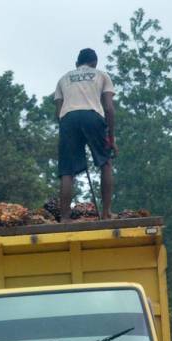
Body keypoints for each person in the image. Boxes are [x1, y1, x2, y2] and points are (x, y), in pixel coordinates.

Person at [53, 48, 117, 219]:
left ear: (77, 64)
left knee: (67, 171)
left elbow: (59, 112)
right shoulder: (101, 75)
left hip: (68, 119)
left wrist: (70, 134)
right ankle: (106, 213)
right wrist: (111, 137)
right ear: (94, 63)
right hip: (92, 116)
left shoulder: (63, 79)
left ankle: (65, 218)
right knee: (106, 164)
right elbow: (109, 108)